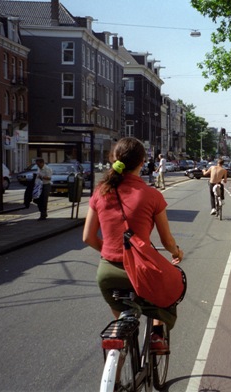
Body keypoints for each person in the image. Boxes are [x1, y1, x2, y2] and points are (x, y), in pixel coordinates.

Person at [82, 137, 184, 354]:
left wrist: (111, 252)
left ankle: (116, 375)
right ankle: (157, 335)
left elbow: (88, 237)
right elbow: (166, 241)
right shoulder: (152, 195)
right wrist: (176, 252)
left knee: (121, 328)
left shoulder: (100, 192)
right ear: (142, 161)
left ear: (114, 159)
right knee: (170, 291)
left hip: (107, 273)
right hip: (140, 271)